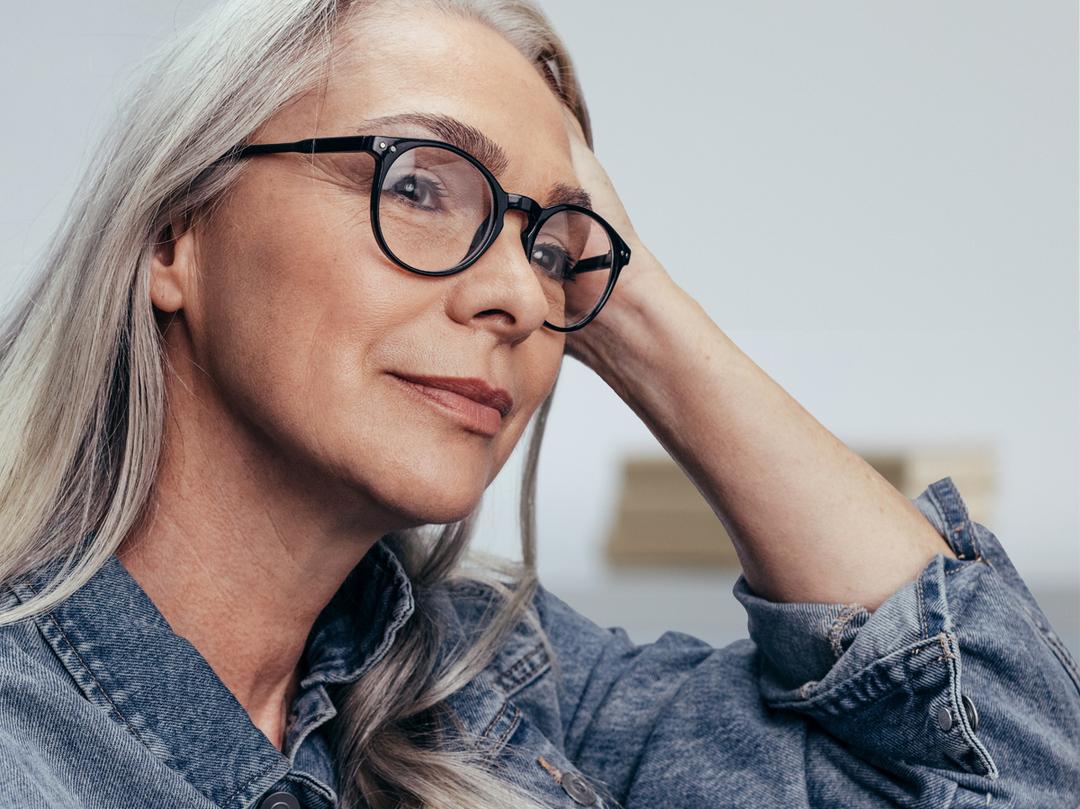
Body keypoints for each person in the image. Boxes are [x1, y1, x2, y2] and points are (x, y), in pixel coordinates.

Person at [1, 0, 1077, 807]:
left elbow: (1005, 765)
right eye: (419, 184)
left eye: (554, 247)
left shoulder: (498, 691)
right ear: (171, 234)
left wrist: (637, 305)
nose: (523, 293)